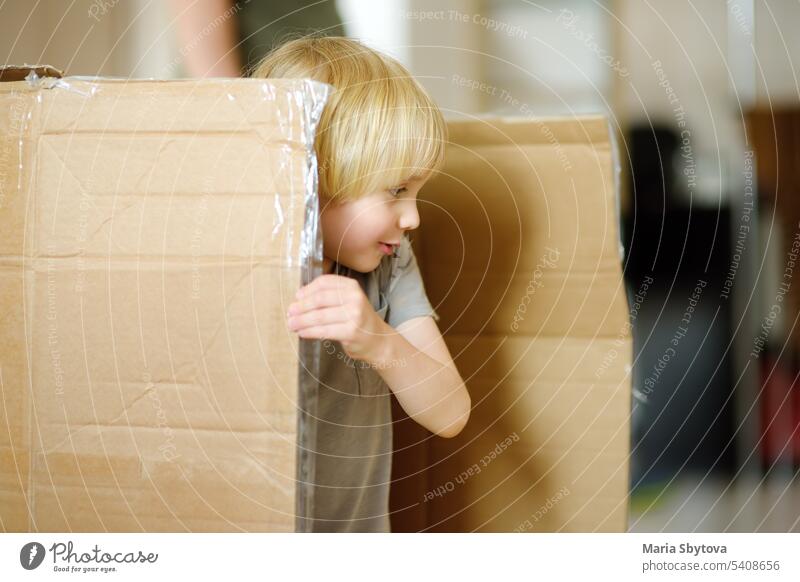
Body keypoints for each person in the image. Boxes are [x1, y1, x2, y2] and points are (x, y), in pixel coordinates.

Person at [251, 36, 471, 532]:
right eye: (395, 190)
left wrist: (377, 337)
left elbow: (451, 413)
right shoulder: (243, 262)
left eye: (416, 192)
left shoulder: (388, 263)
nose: (412, 217)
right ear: (316, 176)